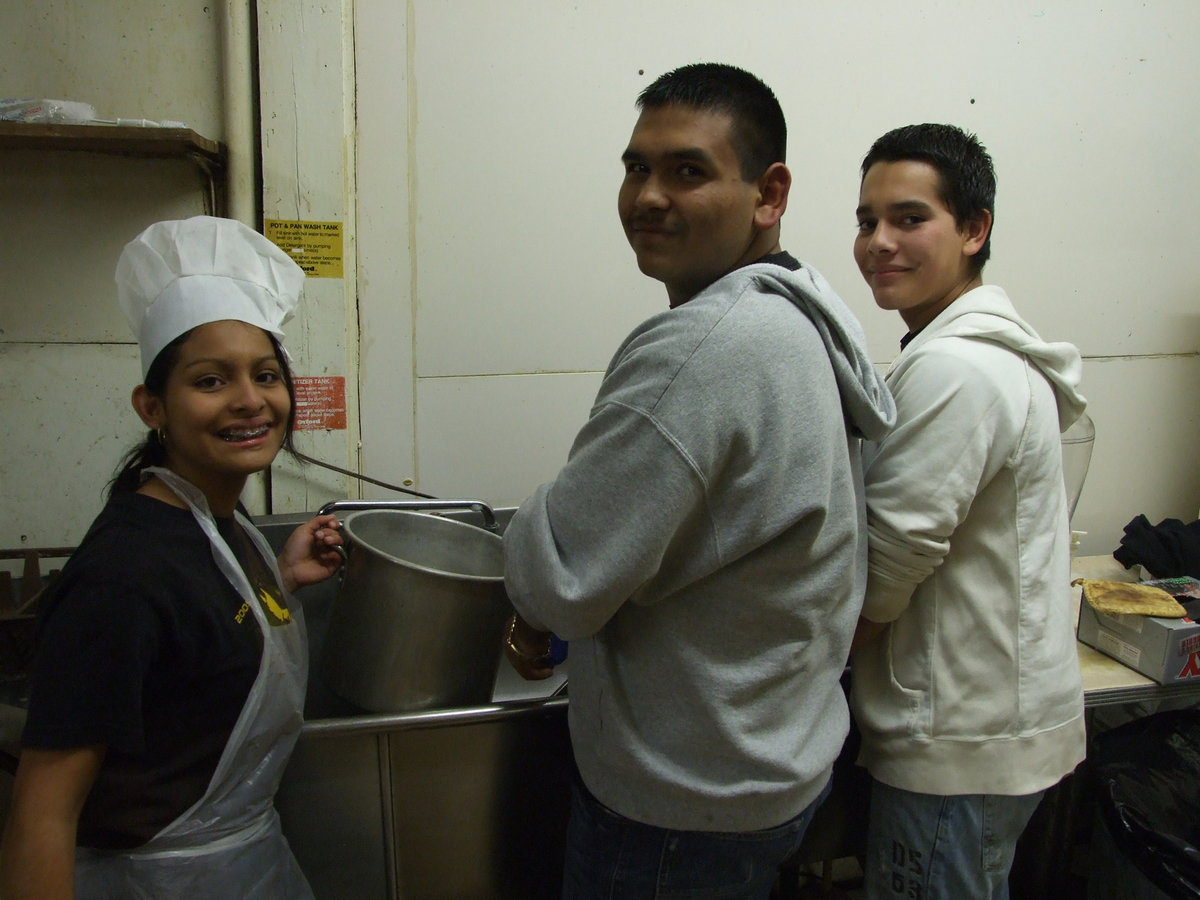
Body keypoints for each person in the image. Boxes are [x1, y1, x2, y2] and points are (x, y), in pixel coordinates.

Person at [502, 63, 895, 899]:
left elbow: (565, 581)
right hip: (769, 761)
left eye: (687, 170)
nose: (647, 196)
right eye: (635, 167)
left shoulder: (703, 348)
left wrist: (531, 575)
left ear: (769, 192)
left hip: (678, 806)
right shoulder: (800, 312)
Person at [0, 216, 344, 899]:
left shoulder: (214, 519)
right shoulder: (123, 573)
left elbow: (195, 645)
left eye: (266, 375)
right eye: (210, 382)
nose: (250, 400)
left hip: (236, 870)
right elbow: (43, 813)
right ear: (152, 406)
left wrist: (281, 577)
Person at [848, 124, 1088, 899]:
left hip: (955, 740)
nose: (879, 242)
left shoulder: (957, 367)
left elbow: (887, 573)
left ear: (975, 229)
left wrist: (798, 672)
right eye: (866, 220)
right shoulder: (967, 349)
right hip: (982, 728)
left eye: (909, 218)